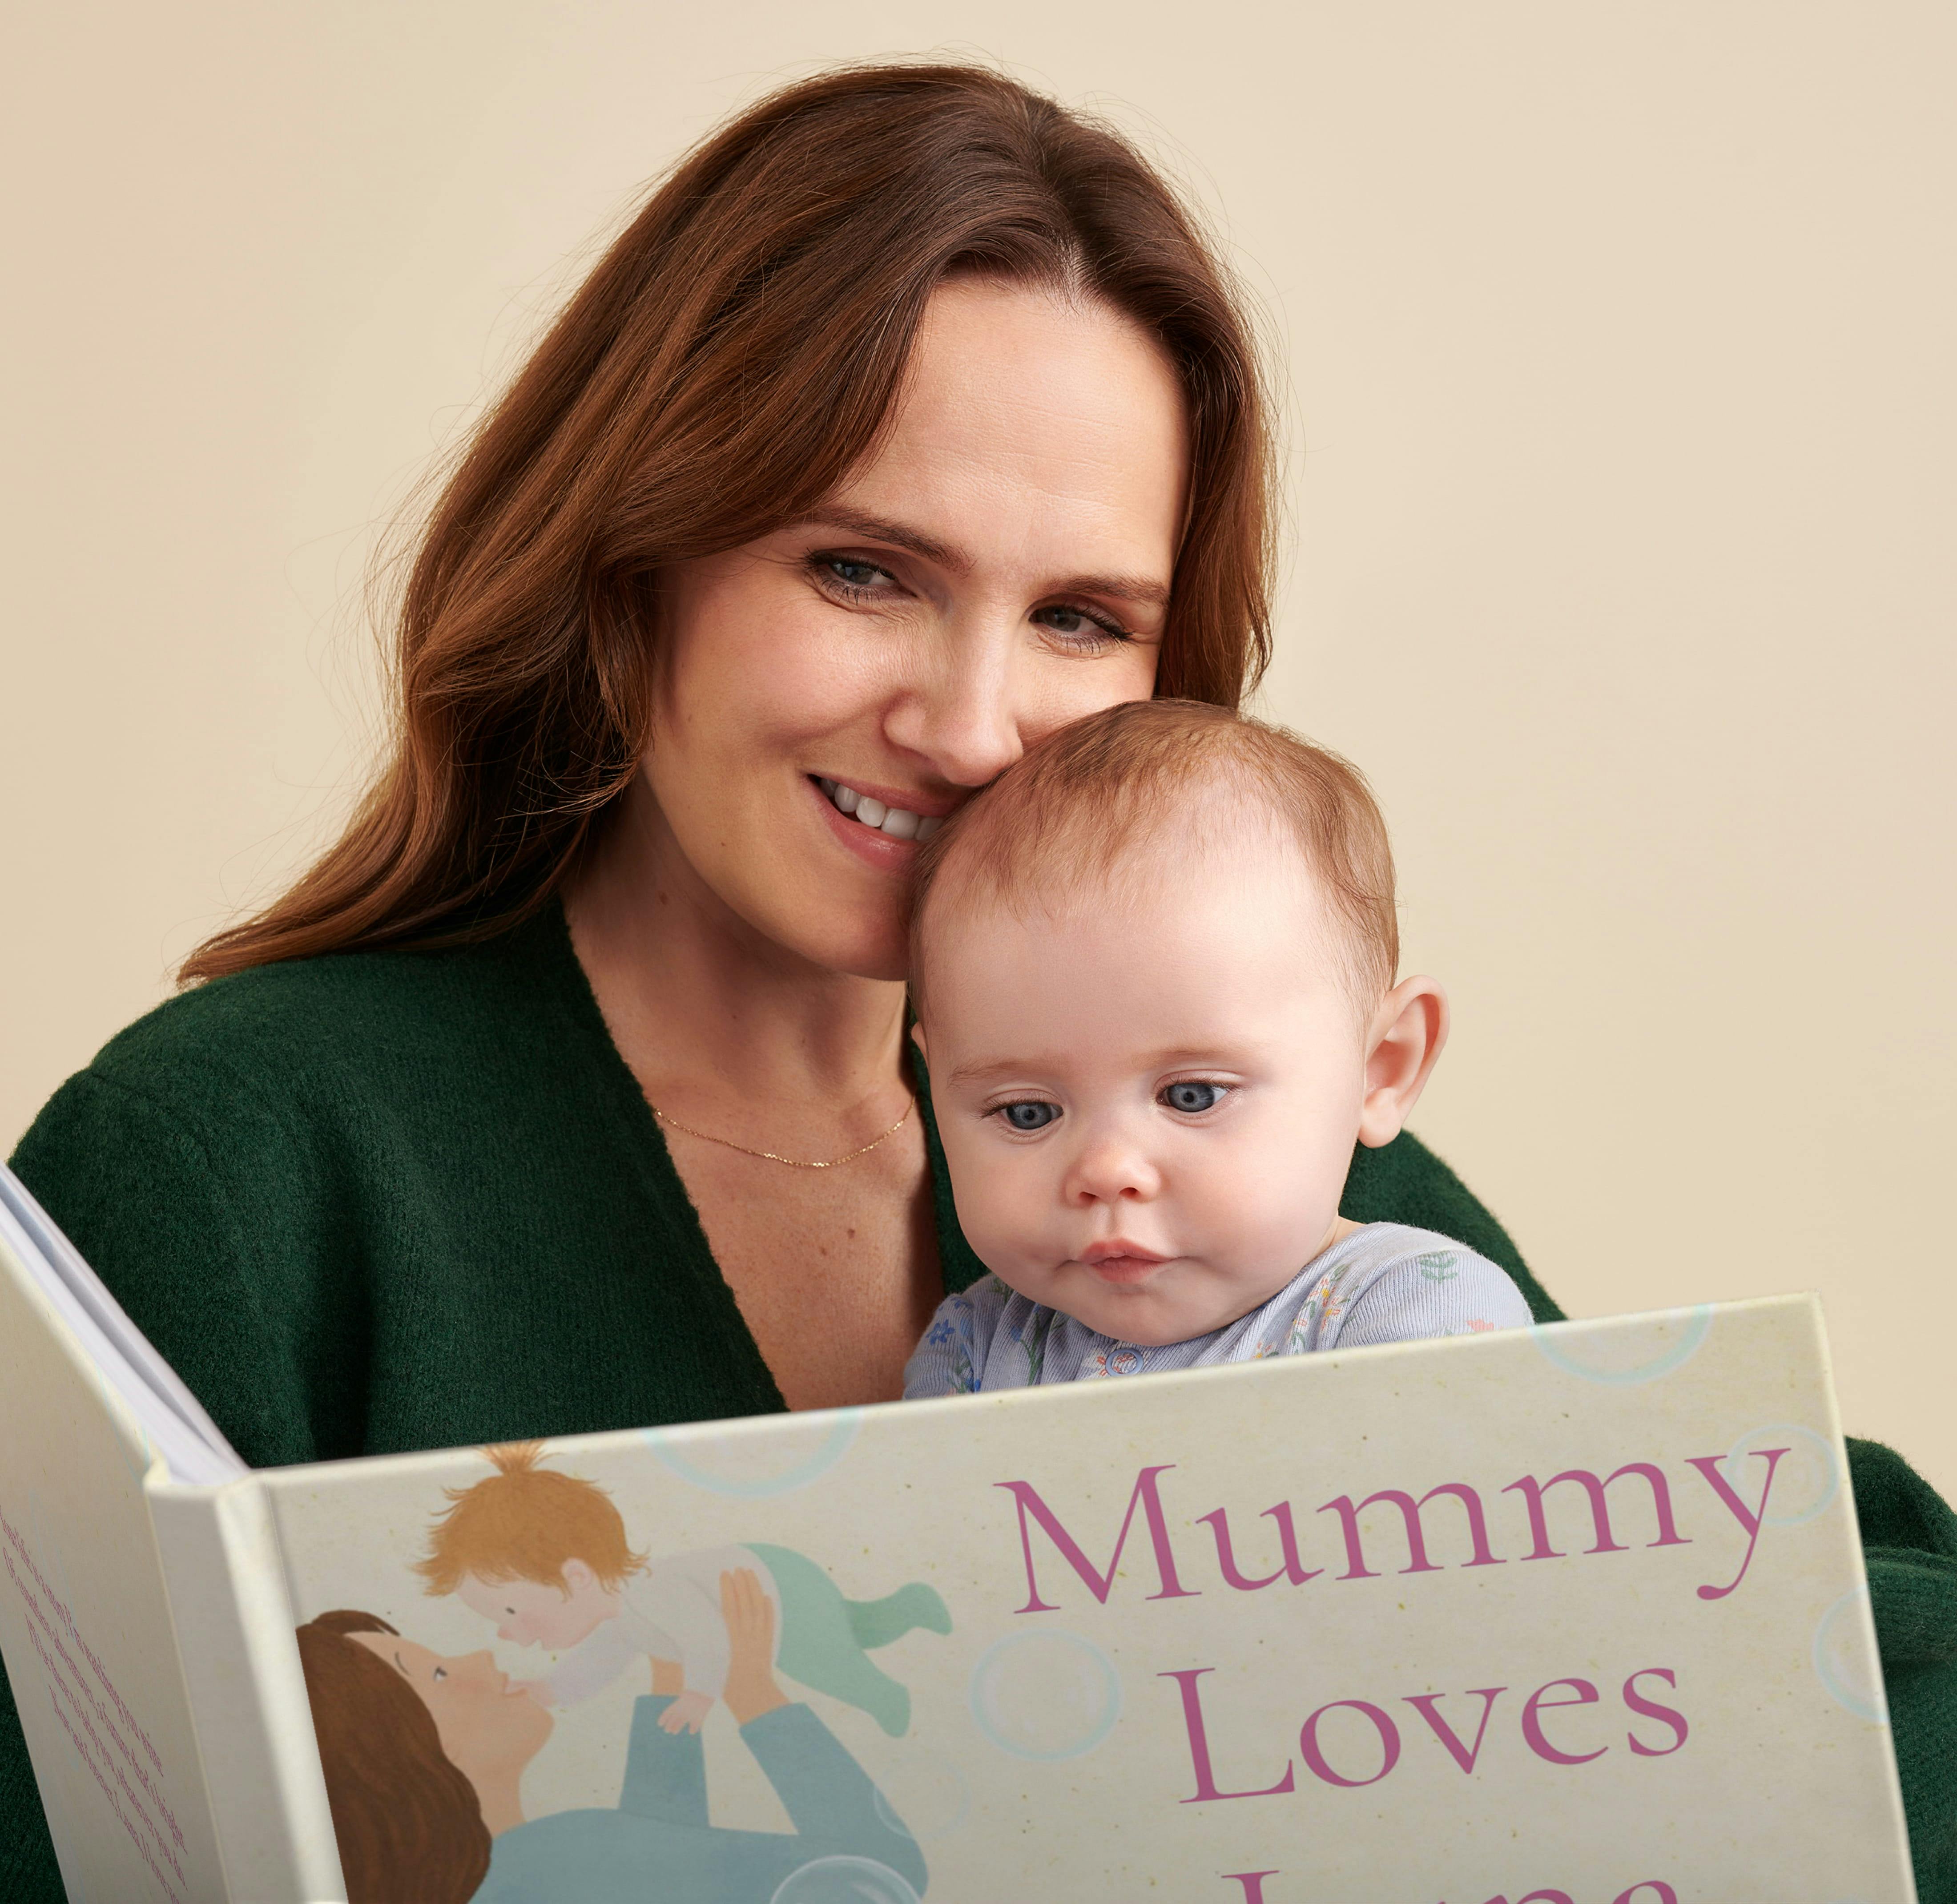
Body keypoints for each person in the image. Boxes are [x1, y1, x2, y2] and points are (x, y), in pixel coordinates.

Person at [0, 61, 1949, 1901]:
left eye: (1080, 617)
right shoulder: (236, 1163)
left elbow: (1755, 1602)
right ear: (631, 564)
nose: (966, 720)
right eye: (861, 570)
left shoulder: (1231, 1168)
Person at [903, 699, 1532, 1400]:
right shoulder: (972, 1348)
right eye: (1026, 1112)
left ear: (1381, 1069)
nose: (1108, 1172)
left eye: (1191, 1096)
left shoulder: (1414, 1310)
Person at [298, 1569, 926, 1904]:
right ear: (403, 1762)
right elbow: (881, 1878)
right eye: (436, 1673)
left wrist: (671, 1673)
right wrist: (754, 1691)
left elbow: (662, 1876)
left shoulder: (501, 1879)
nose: (483, 1661)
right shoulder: (564, 1854)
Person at [419, 1442, 949, 1737]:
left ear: (576, 1576)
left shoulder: (652, 1594)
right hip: (770, 1575)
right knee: (852, 1627)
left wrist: (699, 1694)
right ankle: (909, 1607)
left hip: (778, 1586)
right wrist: (552, 1688)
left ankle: (885, 1691)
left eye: (510, 1608)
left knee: (830, 1656)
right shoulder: (618, 1618)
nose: (506, 1628)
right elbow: (599, 1661)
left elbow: (705, 1639)